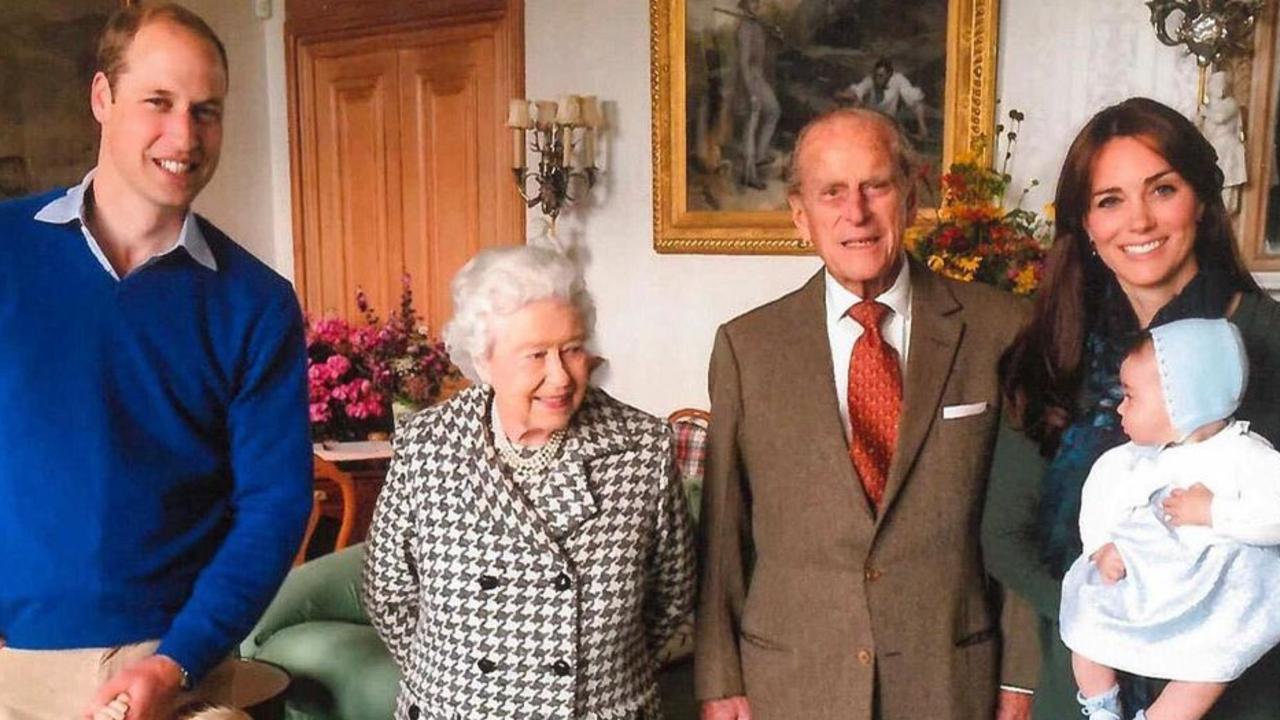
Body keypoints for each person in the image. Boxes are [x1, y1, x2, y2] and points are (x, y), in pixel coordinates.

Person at [0, 4, 312, 720]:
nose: (185, 136)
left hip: (171, 669)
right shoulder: (6, 253)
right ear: (103, 98)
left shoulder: (255, 301)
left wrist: (178, 661)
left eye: (207, 111)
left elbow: (274, 505)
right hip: (13, 663)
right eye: (159, 103)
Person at [695, 106, 1034, 720]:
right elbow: (724, 533)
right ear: (801, 216)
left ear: (909, 196)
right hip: (793, 682)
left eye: (875, 185)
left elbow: (1024, 518)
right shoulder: (748, 347)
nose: (856, 213)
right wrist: (719, 681)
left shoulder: (1001, 329)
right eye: (831, 192)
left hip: (951, 680)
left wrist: (1023, 677)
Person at [983, 97, 1280, 720]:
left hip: (1240, 691)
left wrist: (1206, 621)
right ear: (1085, 225)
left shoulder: (1269, 341)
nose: (1138, 221)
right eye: (1109, 200)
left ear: (1201, 198)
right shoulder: (1051, 353)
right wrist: (1110, 615)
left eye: (1162, 189)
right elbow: (1005, 537)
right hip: (1090, 693)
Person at [362, 245, 695, 720]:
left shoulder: (642, 448)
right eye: (536, 355)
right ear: (484, 359)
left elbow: (672, 595)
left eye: (573, 349)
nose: (560, 376)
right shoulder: (427, 445)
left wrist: (601, 670)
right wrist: (456, 681)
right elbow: (389, 594)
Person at [1060, 319, 1280, 720]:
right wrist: (1099, 547)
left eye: (1130, 397)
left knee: (1210, 667)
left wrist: (1214, 512)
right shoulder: (1131, 458)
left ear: (1185, 402)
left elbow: (1275, 513)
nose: (1120, 407)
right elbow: (1099, 499)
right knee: (1085, 620)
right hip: (1142, 580)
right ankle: (1101, 704)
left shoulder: (1246, 456)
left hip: (1212, 593)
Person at [734, 0, 781, 190]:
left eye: (757, 2)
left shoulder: (758, 25)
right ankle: (749, 174)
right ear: (744, 5)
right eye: (752, 2)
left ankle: (760, 155)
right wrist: (751, 93)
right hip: (747, 81)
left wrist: (776, 36)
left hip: (759, 78)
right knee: (751, 125)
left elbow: (768, 52)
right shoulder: (744, 29)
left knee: (773, 111)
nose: (756, 5)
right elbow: (744, 64)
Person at [840, 59, 928, 140]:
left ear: (889, 75)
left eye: (881, 76)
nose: (877, 79)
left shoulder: (898, 80)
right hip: (870, 121)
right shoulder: (870, 80)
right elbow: (858, 92)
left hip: (889, 122)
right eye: (876, 75)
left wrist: (922, 126)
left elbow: (915, 101)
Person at [1197, 71, 1246, 213]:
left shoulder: (1230, 103)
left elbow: (1220, 118)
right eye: (1216, 84)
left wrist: (1205, 112)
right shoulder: (1208, 107)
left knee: (1227, 185)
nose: (1220, 88)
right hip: (1214, 147)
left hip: (1227, 148)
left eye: (1222, 85)